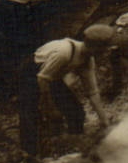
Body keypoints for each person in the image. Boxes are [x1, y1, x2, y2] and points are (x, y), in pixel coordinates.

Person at [21, 26, 113, 156]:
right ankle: (28, 155)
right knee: (31, 114)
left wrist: (104, 121)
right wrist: (50, 108)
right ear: (94, 46)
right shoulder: (64, 52)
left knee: (76, 113)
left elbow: (92, 92)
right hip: (32, 74)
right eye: (103, 49)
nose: (104, 53)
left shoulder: (87, 60)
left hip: (52, 77)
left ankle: (74, 146)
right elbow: (42, 79)